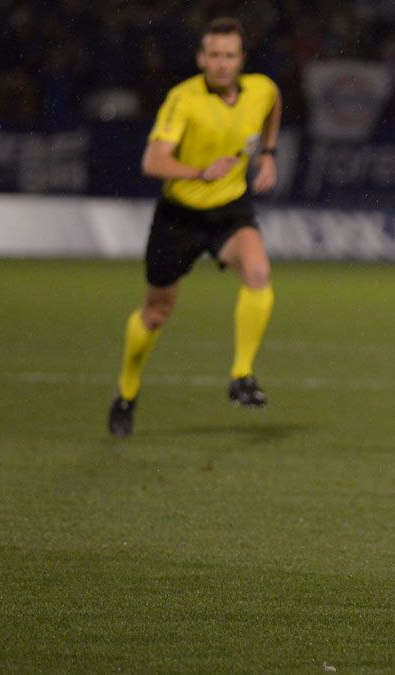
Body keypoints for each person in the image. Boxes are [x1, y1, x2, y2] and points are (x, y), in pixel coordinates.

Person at [107, 17, 282, 437]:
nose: (222, 64)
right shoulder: (182, 99)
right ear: (201, 58)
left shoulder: (261, 88)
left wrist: (270, 153)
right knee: (156, 311)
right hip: (180, 216)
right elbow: (152, 161)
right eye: (214, 55)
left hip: (230, 211)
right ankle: (126, 393)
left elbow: (273, 105)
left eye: (230, 55)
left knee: (258, 273)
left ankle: (241, 375)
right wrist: (199, 172)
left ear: (241, 59)